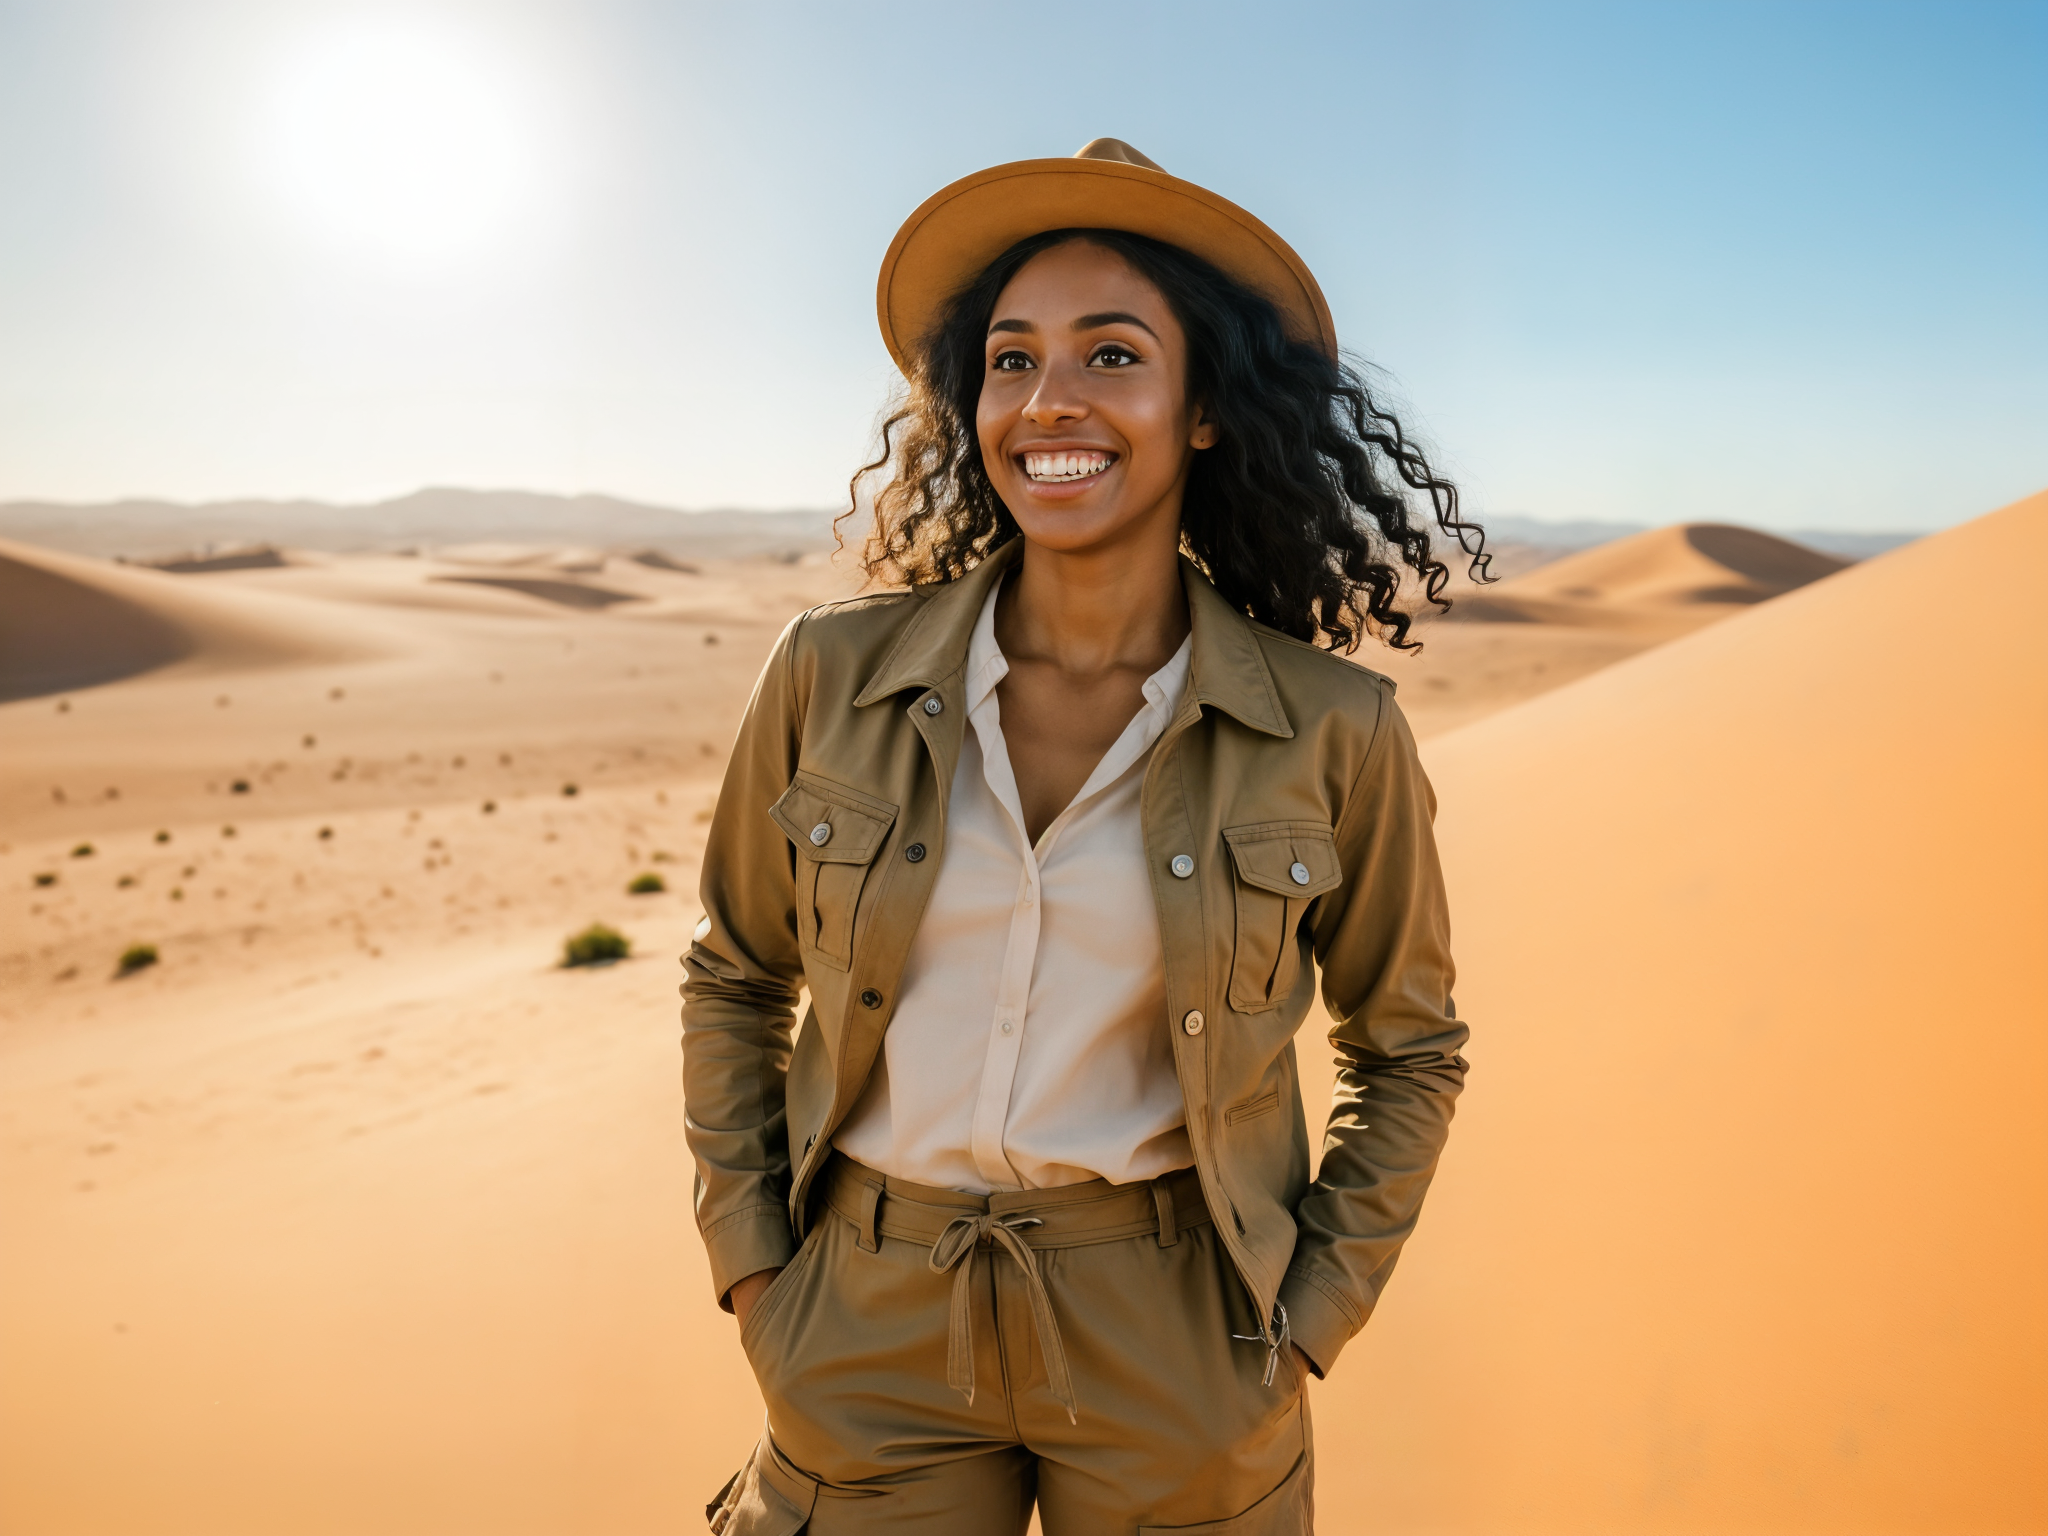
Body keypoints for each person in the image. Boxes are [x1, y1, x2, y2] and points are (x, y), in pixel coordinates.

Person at [685, 138, 1484, 1535]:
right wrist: (758, 1271)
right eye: (1011, 359)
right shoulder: (827, 674)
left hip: (1181, 1337)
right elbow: (735, 974)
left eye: (1113, 356)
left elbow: (1408, 1048)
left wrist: (1303, 1324)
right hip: (862, 1323)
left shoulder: (1333, 729)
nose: (1049, 400)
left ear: (1206, 410)